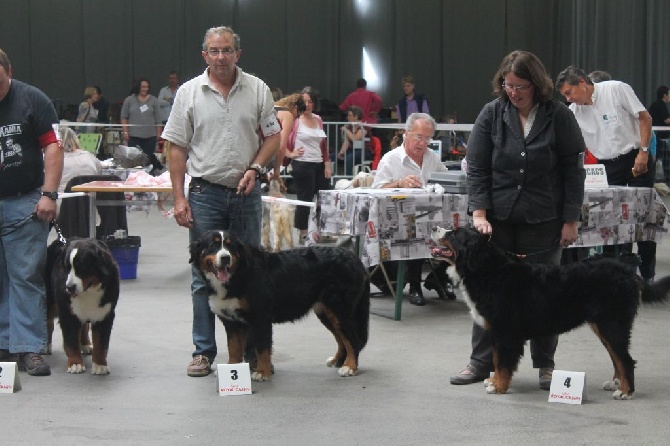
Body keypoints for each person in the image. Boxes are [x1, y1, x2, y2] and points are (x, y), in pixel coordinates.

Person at [450, 51, 586, 389]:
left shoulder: (559, 116)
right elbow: (477, 166)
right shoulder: (491, 114)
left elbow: (573, 169)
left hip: (545, 221)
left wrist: (570, 219)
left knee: (545, 296)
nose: (513, 92)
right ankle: (481, 364)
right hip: (497, 222)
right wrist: (479, 212)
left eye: (520, 86)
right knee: (487, 298)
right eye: (508, 85)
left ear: (537, 84)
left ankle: (546, 366)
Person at [161, 26, 280, 377]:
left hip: (246, 192)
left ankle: (255, 353)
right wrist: (179, 197)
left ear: (237, 54)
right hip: (205, 194)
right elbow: (177, 147)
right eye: (214, 51)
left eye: (227, 50)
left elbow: (273, 136)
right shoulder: (188, 93)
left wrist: (257, 168)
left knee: (251, 275)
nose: (221, 57)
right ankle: (203, 352)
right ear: (204, 55)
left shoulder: (257, 88)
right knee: (203, 276)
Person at [556, 66, 655, 284]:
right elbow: (570, 146)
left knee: (644, 218)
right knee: (612, 222)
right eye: (565, 95)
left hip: (636, 158)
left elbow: (644, 117)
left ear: (582, 82)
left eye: (569, 92)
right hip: (607, 167)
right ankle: (621, 274)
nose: (568, 98)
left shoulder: (616, 89)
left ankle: (647, 274)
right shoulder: (574, 112)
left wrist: (644, 152)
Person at [0, 48, 63, 376]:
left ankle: (28, 348)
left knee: (25, 275)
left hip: (25, 201)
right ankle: (3, 344)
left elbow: (52, 145)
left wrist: (49, 194)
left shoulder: (32, 99)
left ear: (8, 71)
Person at [372, 112, 452, 305]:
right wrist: (399, 183)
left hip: (430, 217)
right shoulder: (391, 159)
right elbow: (375, 189)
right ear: (406, 133)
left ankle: (438, 278)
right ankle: (414, 285)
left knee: (459, 232)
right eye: (419, 137)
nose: (423, 143)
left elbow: (447, 179)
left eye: (427, 138)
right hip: (395, 221)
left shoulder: (432, 158)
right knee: (415, 229)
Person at [289, 86, 331, 243]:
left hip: (318, 163)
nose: (307, 104)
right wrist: (290, 154)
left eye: (310, 101)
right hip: (302, 164)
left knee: (325, 197)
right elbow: (281, 139)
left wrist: (327, 163)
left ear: (314, 103)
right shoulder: (294, 120)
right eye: (304, 101)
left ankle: (322, 229)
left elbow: (324, 144)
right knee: (304, 198)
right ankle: (303, 231)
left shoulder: (318, 119)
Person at [120, 77, 164, 175]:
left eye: (147, 87)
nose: (145, 89)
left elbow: (158, 119)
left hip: (150, 136)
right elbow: (124, 117)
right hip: (134, 136)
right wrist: (125, 131)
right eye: (143, 87)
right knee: (135, 160)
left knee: (149, 159)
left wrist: (158, 133)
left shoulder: (154, 100)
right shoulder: (129, 100)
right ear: (138, 87)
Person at [56, 126, 102, 210]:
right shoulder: (90, 157)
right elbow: (98, 176)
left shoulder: (52, 160)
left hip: (62, 207)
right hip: (90, 208)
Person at [270, 93, 306, 188]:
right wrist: (277, 171)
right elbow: (281, 146)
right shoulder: (287, 115)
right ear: (295, 107)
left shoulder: (270, 107)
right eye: (297, 116)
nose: (295, 119)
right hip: (266, 158)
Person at [336, 105, 372, 176]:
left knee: (349, 158)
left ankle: (347, 179)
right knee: (332, 156)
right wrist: (341, 153)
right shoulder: (350, 127)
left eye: (350, 115)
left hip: (364, 152)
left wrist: (346, 130)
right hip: (352, 150)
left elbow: (355, 139)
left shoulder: (363, 127)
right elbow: (347, 142)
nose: (347, 117)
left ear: (356, 117)